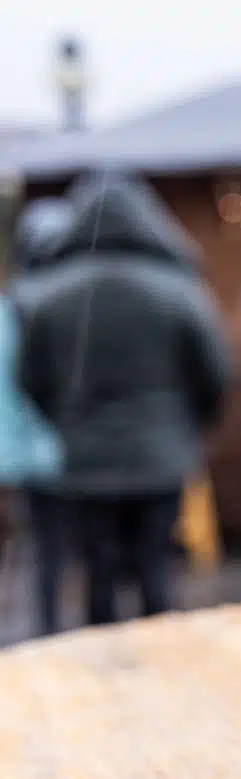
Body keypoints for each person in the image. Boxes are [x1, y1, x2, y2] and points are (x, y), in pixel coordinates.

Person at [18, 174, 231, 627]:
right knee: (156, 567)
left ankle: (109, 677)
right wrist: (189, 429)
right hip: (160, 453)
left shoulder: (49, 296)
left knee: (98, 573)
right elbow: (215, 373)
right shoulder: (178, 291)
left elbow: (31, 381)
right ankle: (157, 669)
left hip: (85, 457)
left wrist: (67, 423)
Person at [1, 201, 70, 635]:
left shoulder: (13, 306)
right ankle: (47, 628)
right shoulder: (69, 305)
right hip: (52, 447)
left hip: (19, 449)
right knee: (51, 547)